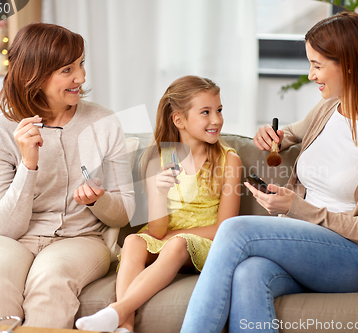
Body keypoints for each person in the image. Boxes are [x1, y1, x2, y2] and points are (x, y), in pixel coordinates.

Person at [180, 11, 358, 333]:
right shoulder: (327, 109)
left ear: (348, 63)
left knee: (234, 231)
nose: (310, 75)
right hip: (305, 247)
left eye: (317, 65)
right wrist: (275, 137)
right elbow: (292, 132)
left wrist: (296, 207)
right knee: (249, 273)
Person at [0, 23, 135, 329]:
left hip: (79, 239)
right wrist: (28, 166)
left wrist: (99, 199)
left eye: (81, 65)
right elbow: (3, 227)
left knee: (51, 282)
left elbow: (122, 215)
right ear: (35, 74)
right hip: (5, 239)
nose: (80, 78)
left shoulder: (104, 122)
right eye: (67, 70)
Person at [75, 75, 243, 332]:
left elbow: (225, 227)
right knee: (132, 241)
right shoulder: (157, 159)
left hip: (207, 245)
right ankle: (126, 327)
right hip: (167, 240)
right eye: (206, 112)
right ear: (179, 120)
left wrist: (175, 237)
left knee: (176, 245)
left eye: (219, 110)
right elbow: (156, 232)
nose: (217, 120)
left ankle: (116, 311)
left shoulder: (228, 160)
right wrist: (157, 191)